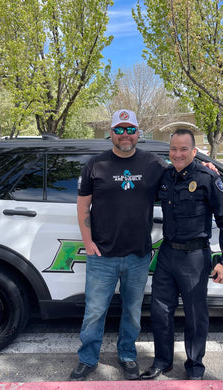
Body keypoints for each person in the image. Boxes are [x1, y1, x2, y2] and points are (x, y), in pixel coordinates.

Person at [70, 109, 168, 381]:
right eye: (119, 129)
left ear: (138, 133)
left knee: (133, 312)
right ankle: (87, 359)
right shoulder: (95, 165)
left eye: (130, 129)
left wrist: (203, 166)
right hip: (102, 255)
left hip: (138, 255)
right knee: (95, 312)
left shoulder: (153, 164)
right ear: (110, 133)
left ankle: (127, 355)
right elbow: (83, 207)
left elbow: (181, 176)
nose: (125, 134)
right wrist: (88, 242)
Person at [140, 128, 223, 381]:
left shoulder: (207, 177)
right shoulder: (165, 176)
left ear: (194, 151)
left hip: (194, 257)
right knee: (159, 311)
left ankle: (194, 367)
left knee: (195, 315)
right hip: (168, 253)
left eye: (184, 149)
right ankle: (163, 362)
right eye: (174, 149)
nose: (178, 154)